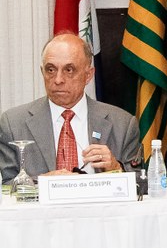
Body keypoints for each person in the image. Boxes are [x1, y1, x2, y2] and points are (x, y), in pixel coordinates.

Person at [0, 33, 139, 182]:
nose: (58, 80)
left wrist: (116, 169)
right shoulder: (13, 124)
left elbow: (141, 185)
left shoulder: (123, 124)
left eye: (69, 70)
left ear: (88, 75)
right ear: (42, 72)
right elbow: (8, 186)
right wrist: (43, 182)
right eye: (51, 70)